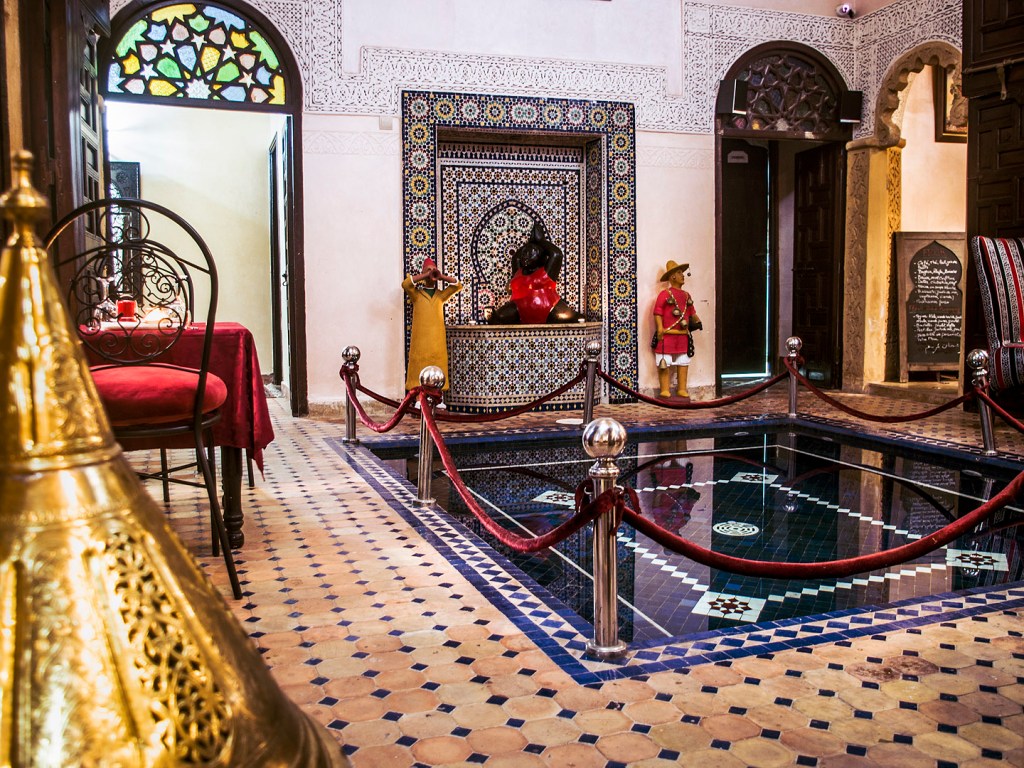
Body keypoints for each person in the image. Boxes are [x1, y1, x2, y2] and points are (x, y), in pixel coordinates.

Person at [487, 223, 581, 324]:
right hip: (519, 311)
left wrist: (541, 241)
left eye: (531, 252)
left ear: (541, 256)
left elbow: (556, 254)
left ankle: (576, 317)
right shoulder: (518, 272)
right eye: (524, 253)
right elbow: (516, 258)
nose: (525, 256)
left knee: (574, 318)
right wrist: (529, 243)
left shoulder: (547, 272)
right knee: (497, 317)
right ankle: (496, 320)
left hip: (551, 310)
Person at [403, 257, 462, 391]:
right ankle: (418, 397)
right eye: (428, 270)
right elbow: (406, 284)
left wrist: (441, 276)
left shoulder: (441, 296)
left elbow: (458, 286)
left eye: (433, 270)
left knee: (438, 368)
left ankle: (437, 397)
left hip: (437, 343)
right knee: (419, 367)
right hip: (420, 342)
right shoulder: (416, 295)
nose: (431, 273)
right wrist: (425, 275)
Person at [653, 260, 702, 398]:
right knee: (664, 361)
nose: (683, 275)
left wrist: (698, 321)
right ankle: (664, 389)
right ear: (672, 276)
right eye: (679, 273)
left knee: (683, 361)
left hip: (682, 334)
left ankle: (682, 388)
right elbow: (658, 312)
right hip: (667, 334)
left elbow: (692, 312)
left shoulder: (687, 296)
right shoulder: (665, 294)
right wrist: (660, 328)